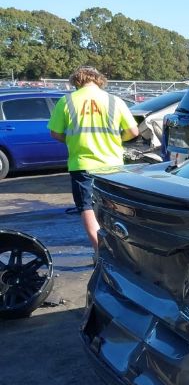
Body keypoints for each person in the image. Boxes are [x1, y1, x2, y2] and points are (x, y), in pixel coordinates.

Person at [48, 66, 139, 251]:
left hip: (82, 165)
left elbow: (55, 133)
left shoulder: (67, 101)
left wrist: (72, 140)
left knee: (87, 207)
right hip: (113, 165)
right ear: (99, 80)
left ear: (76, 81)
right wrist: (116, 140)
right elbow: (133, 131)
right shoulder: (115, 101)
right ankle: (124, 252)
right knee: (116, 207)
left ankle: (101, 251)